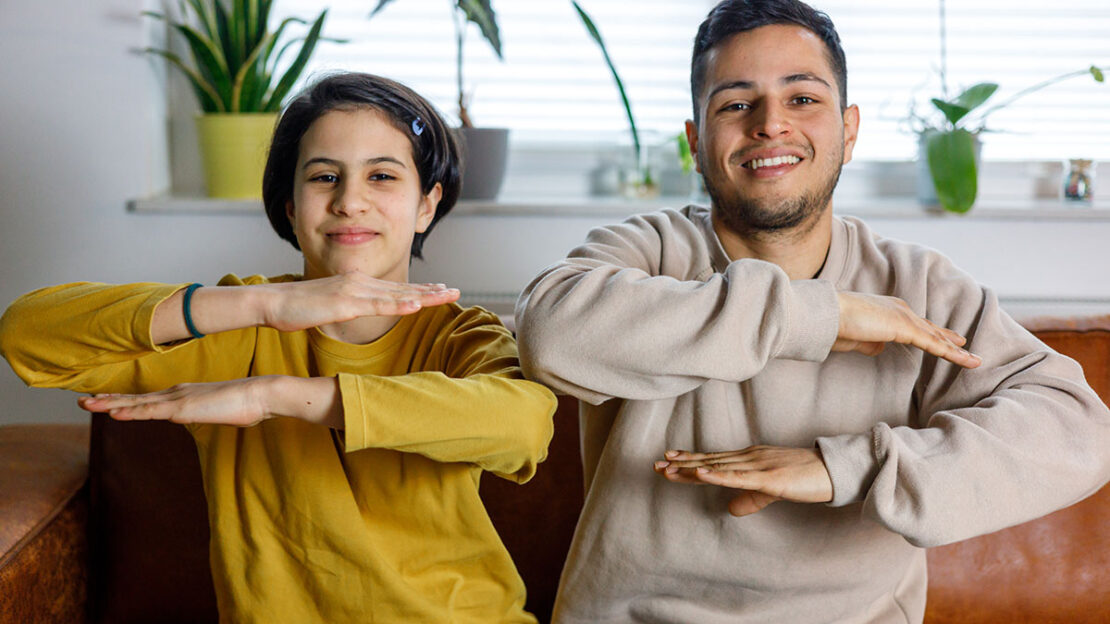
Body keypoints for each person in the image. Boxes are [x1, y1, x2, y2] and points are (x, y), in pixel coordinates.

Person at [514, 2, 1110, 622]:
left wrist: (842, 467)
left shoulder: (920, 286)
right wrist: (822, 317)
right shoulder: (644, 252)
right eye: (736, 104)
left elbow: (1077, 429)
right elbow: (549, 333)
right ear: (695, 141)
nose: (770, 125)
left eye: (802, 99)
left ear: (849, 131)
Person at [0, 72, 556, 623]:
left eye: (382, 175)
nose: (350, 201)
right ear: (291, 207)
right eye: (323, 177)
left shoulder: (460, 335)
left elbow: (523, 427)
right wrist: (260, 308)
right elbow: (25, 333)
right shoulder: (239, 329)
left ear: (426, 206)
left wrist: (275, 396)